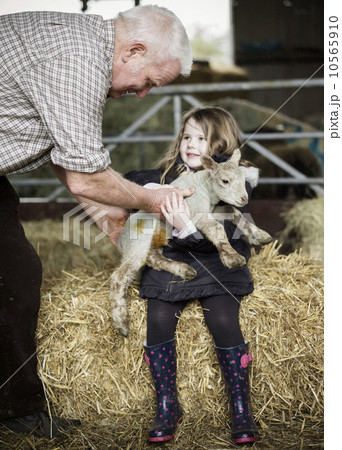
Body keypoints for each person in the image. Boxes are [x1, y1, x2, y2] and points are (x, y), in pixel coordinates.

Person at [0, 5, 193, 438]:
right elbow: (87, 177)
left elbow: (66, 153)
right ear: (134, 51)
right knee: (14, 274)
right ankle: (14, 411)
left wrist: (114, 223)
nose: (142, 93)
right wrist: (153, 199)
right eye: (149, 82)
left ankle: (13, 411)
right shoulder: (74, 59)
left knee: (14, 273)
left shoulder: (82, 45)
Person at [125, 106, 261, 445]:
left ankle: (241, 407)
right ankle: (167, 405)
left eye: (201, 138)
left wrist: (186, 226)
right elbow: (131, 178)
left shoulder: (230, 177)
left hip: (216, 260)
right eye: (187, 136)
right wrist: (154, 188)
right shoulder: (172, 173)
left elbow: (228, 236)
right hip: (174, 258)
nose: (190, 143)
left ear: (220, 144)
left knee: (224, 319)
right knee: (157, 316)